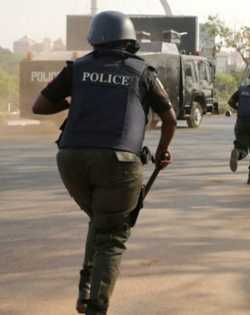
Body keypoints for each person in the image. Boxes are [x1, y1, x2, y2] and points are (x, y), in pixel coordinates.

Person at [32, 11, 176, 315]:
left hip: (70, 158)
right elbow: (170, 117)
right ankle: (96, 307)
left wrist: (76, 99)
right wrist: (163, 151)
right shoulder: (142, 72)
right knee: (112, 235)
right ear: (130, 40)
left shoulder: (78, 68)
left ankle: (85, 292)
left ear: (94, 38)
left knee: (100, 220)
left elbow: (40, 106)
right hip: (119, 161)